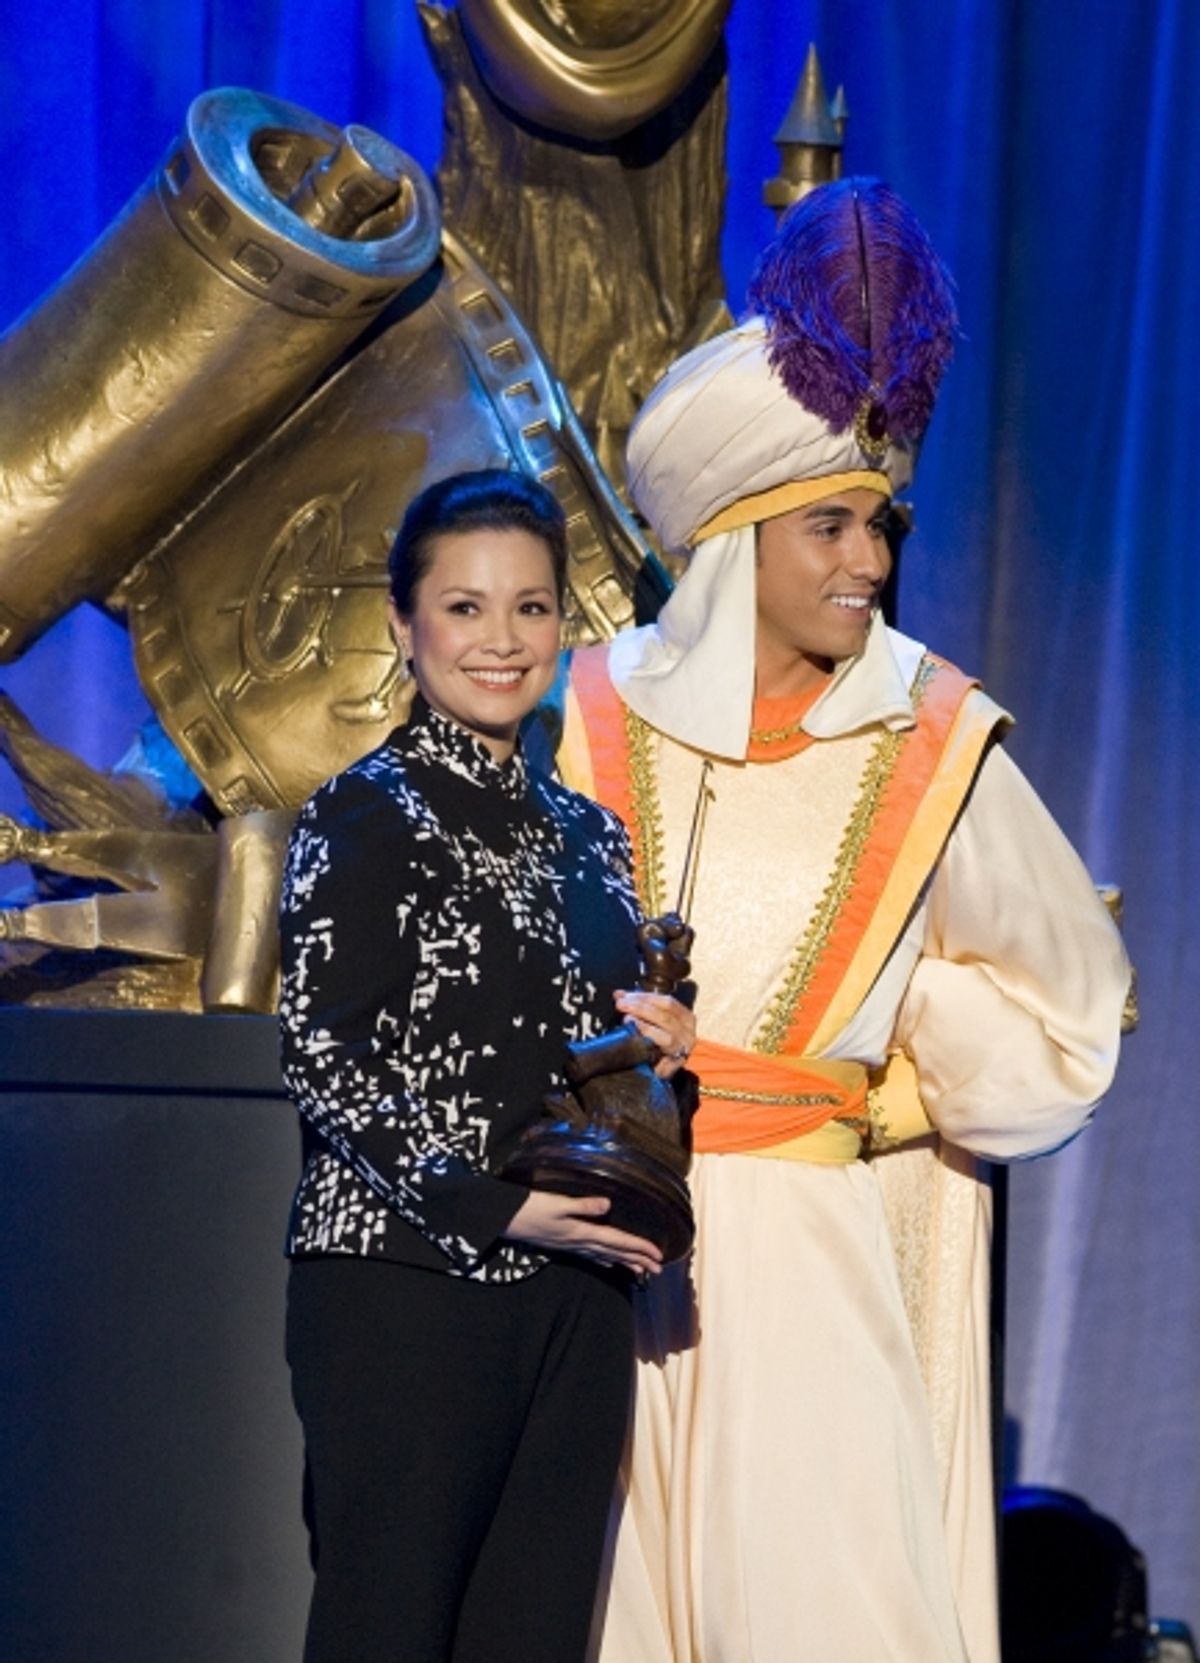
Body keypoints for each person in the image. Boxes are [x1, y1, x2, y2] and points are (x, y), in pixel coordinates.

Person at [557, 180, 1130, 1662]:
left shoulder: (932, 736)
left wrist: (892, 1047)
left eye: (881, 522)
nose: (869, 562)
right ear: (738, 537)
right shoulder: (591, 712)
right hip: (603, 1264)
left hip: (809, 1251)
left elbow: (1068, 1014)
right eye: (830, 524)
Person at [278, 468, 696, 1663]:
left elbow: (596, 1063)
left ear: (566, 625)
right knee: (390, 1631)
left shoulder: (592, 835)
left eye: (531, 607)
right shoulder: (363, 811)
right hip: (408, 1280)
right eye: (464, 608)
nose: (501, 640)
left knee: (536, 1633)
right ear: (404, 629)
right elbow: (323, 1052)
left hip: (580, 1294)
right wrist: (500, 1207)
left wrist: (666, 1051)